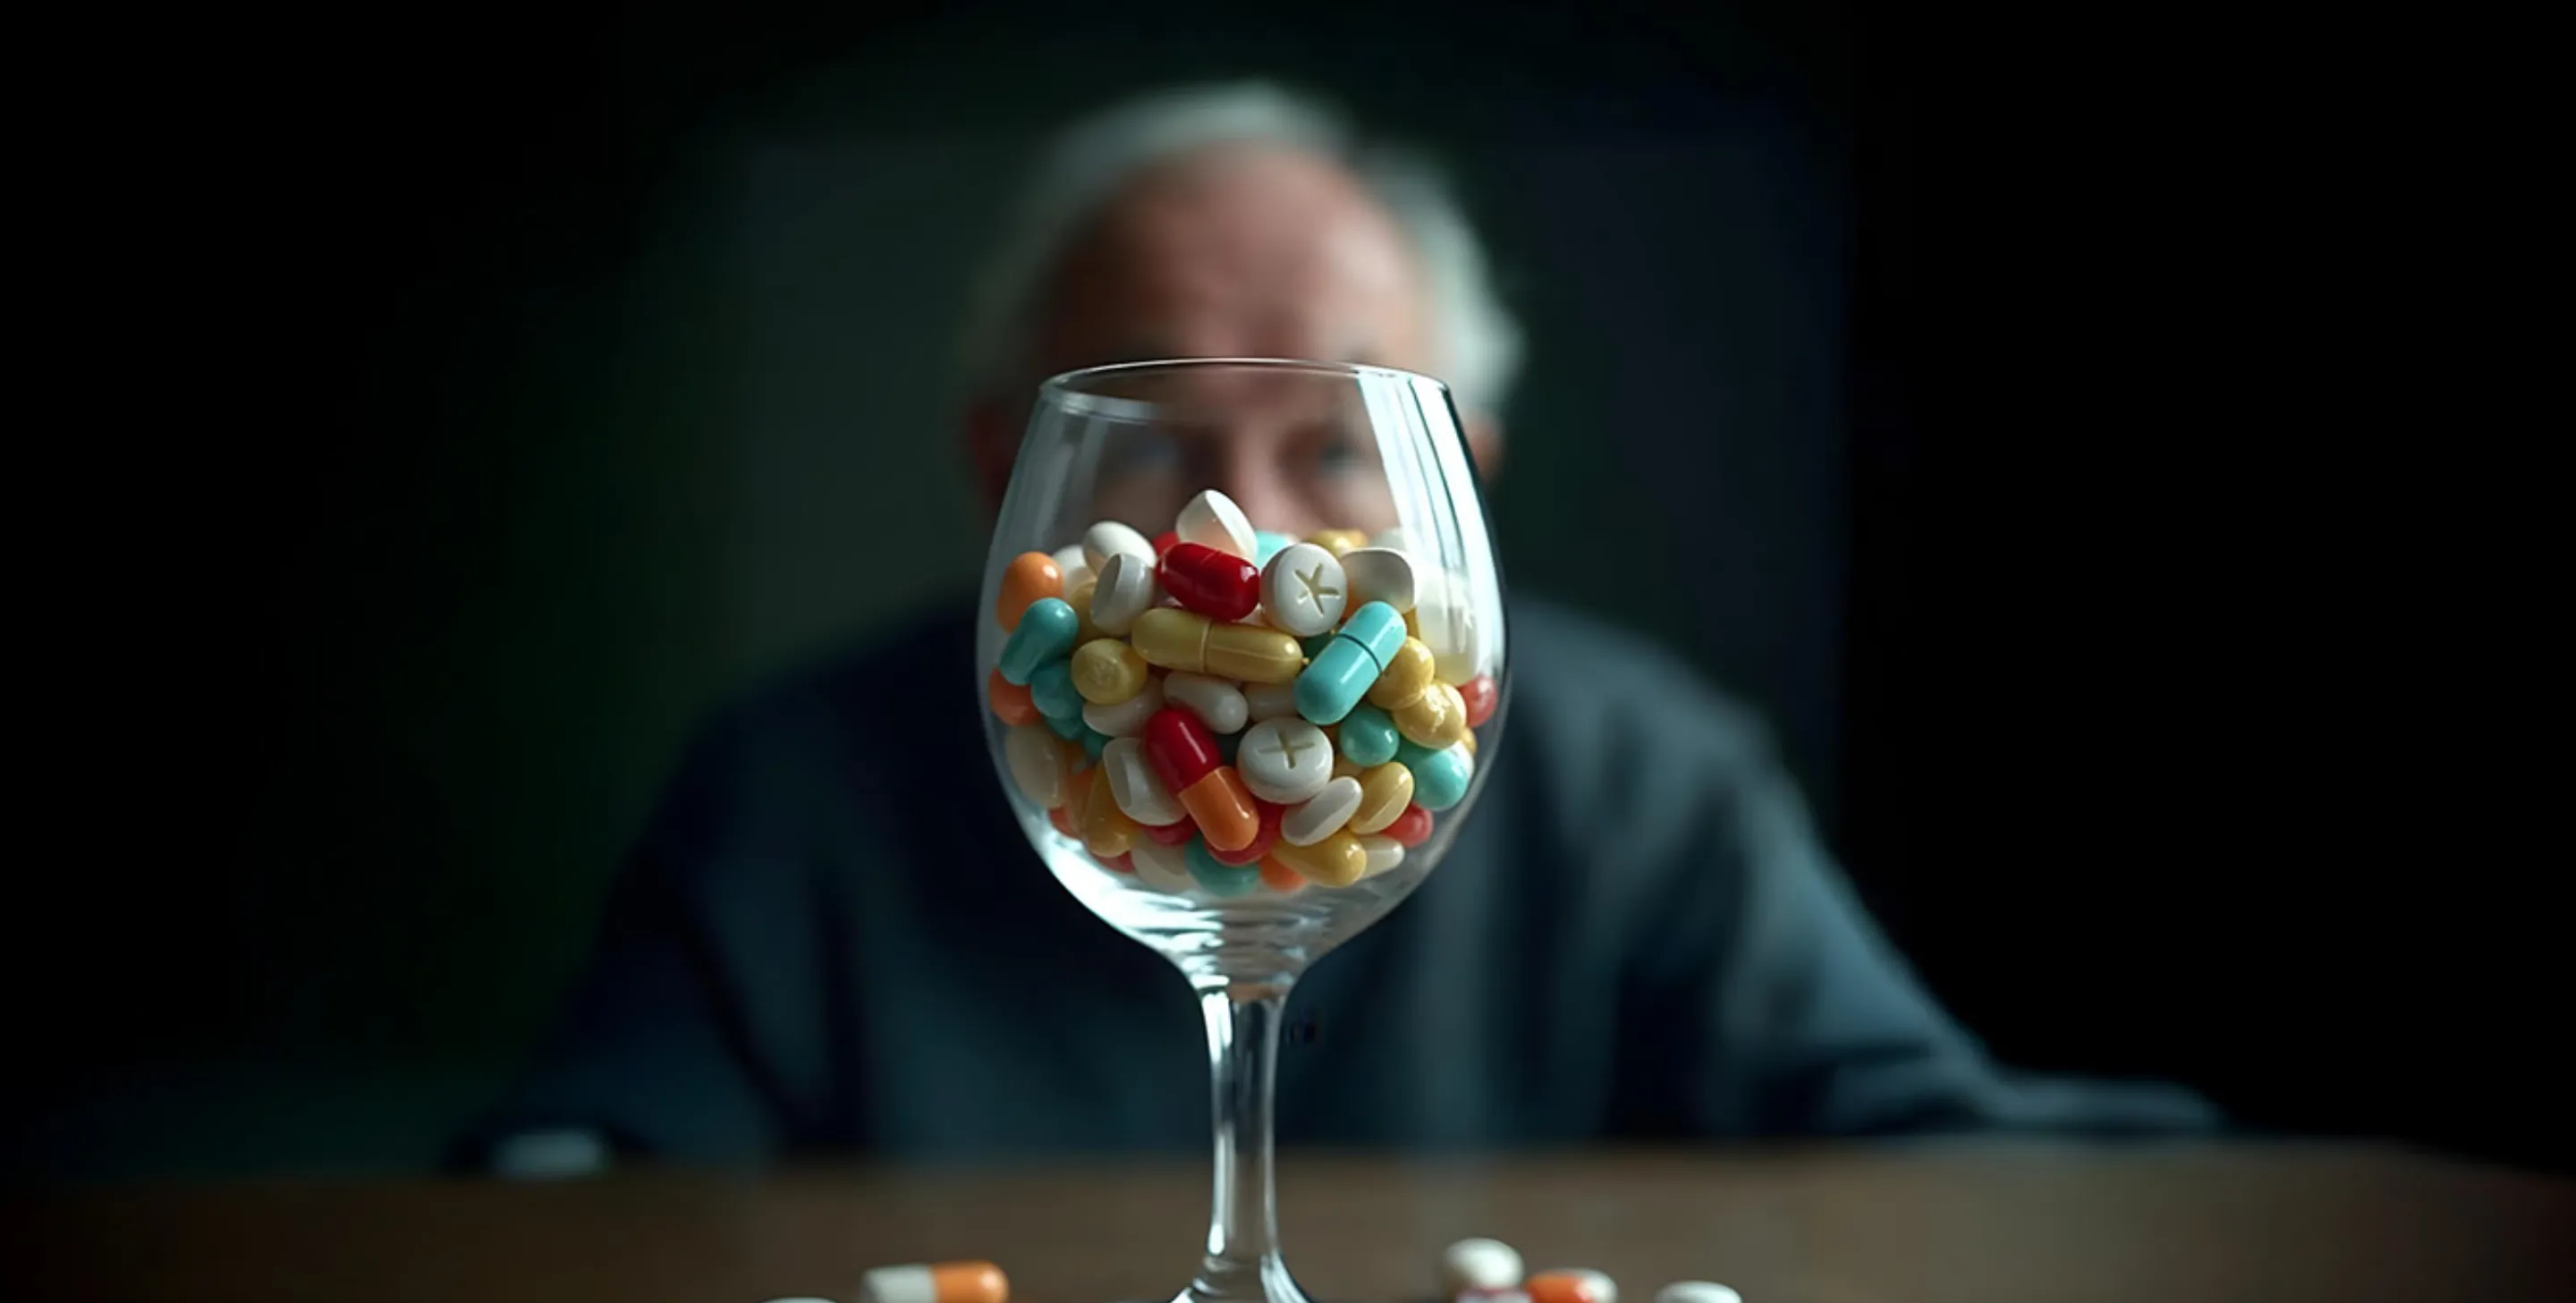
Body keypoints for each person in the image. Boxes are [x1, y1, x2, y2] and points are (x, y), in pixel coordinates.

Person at [453, 81, 2216, 1178]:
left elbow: (1927, 1144)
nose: (1254, 531)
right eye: (1149, 447)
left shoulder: (1647, 772)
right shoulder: (793, 785)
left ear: (1469, 480)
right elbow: (581, 1174)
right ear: (1009, 467)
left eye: (1337, 449)